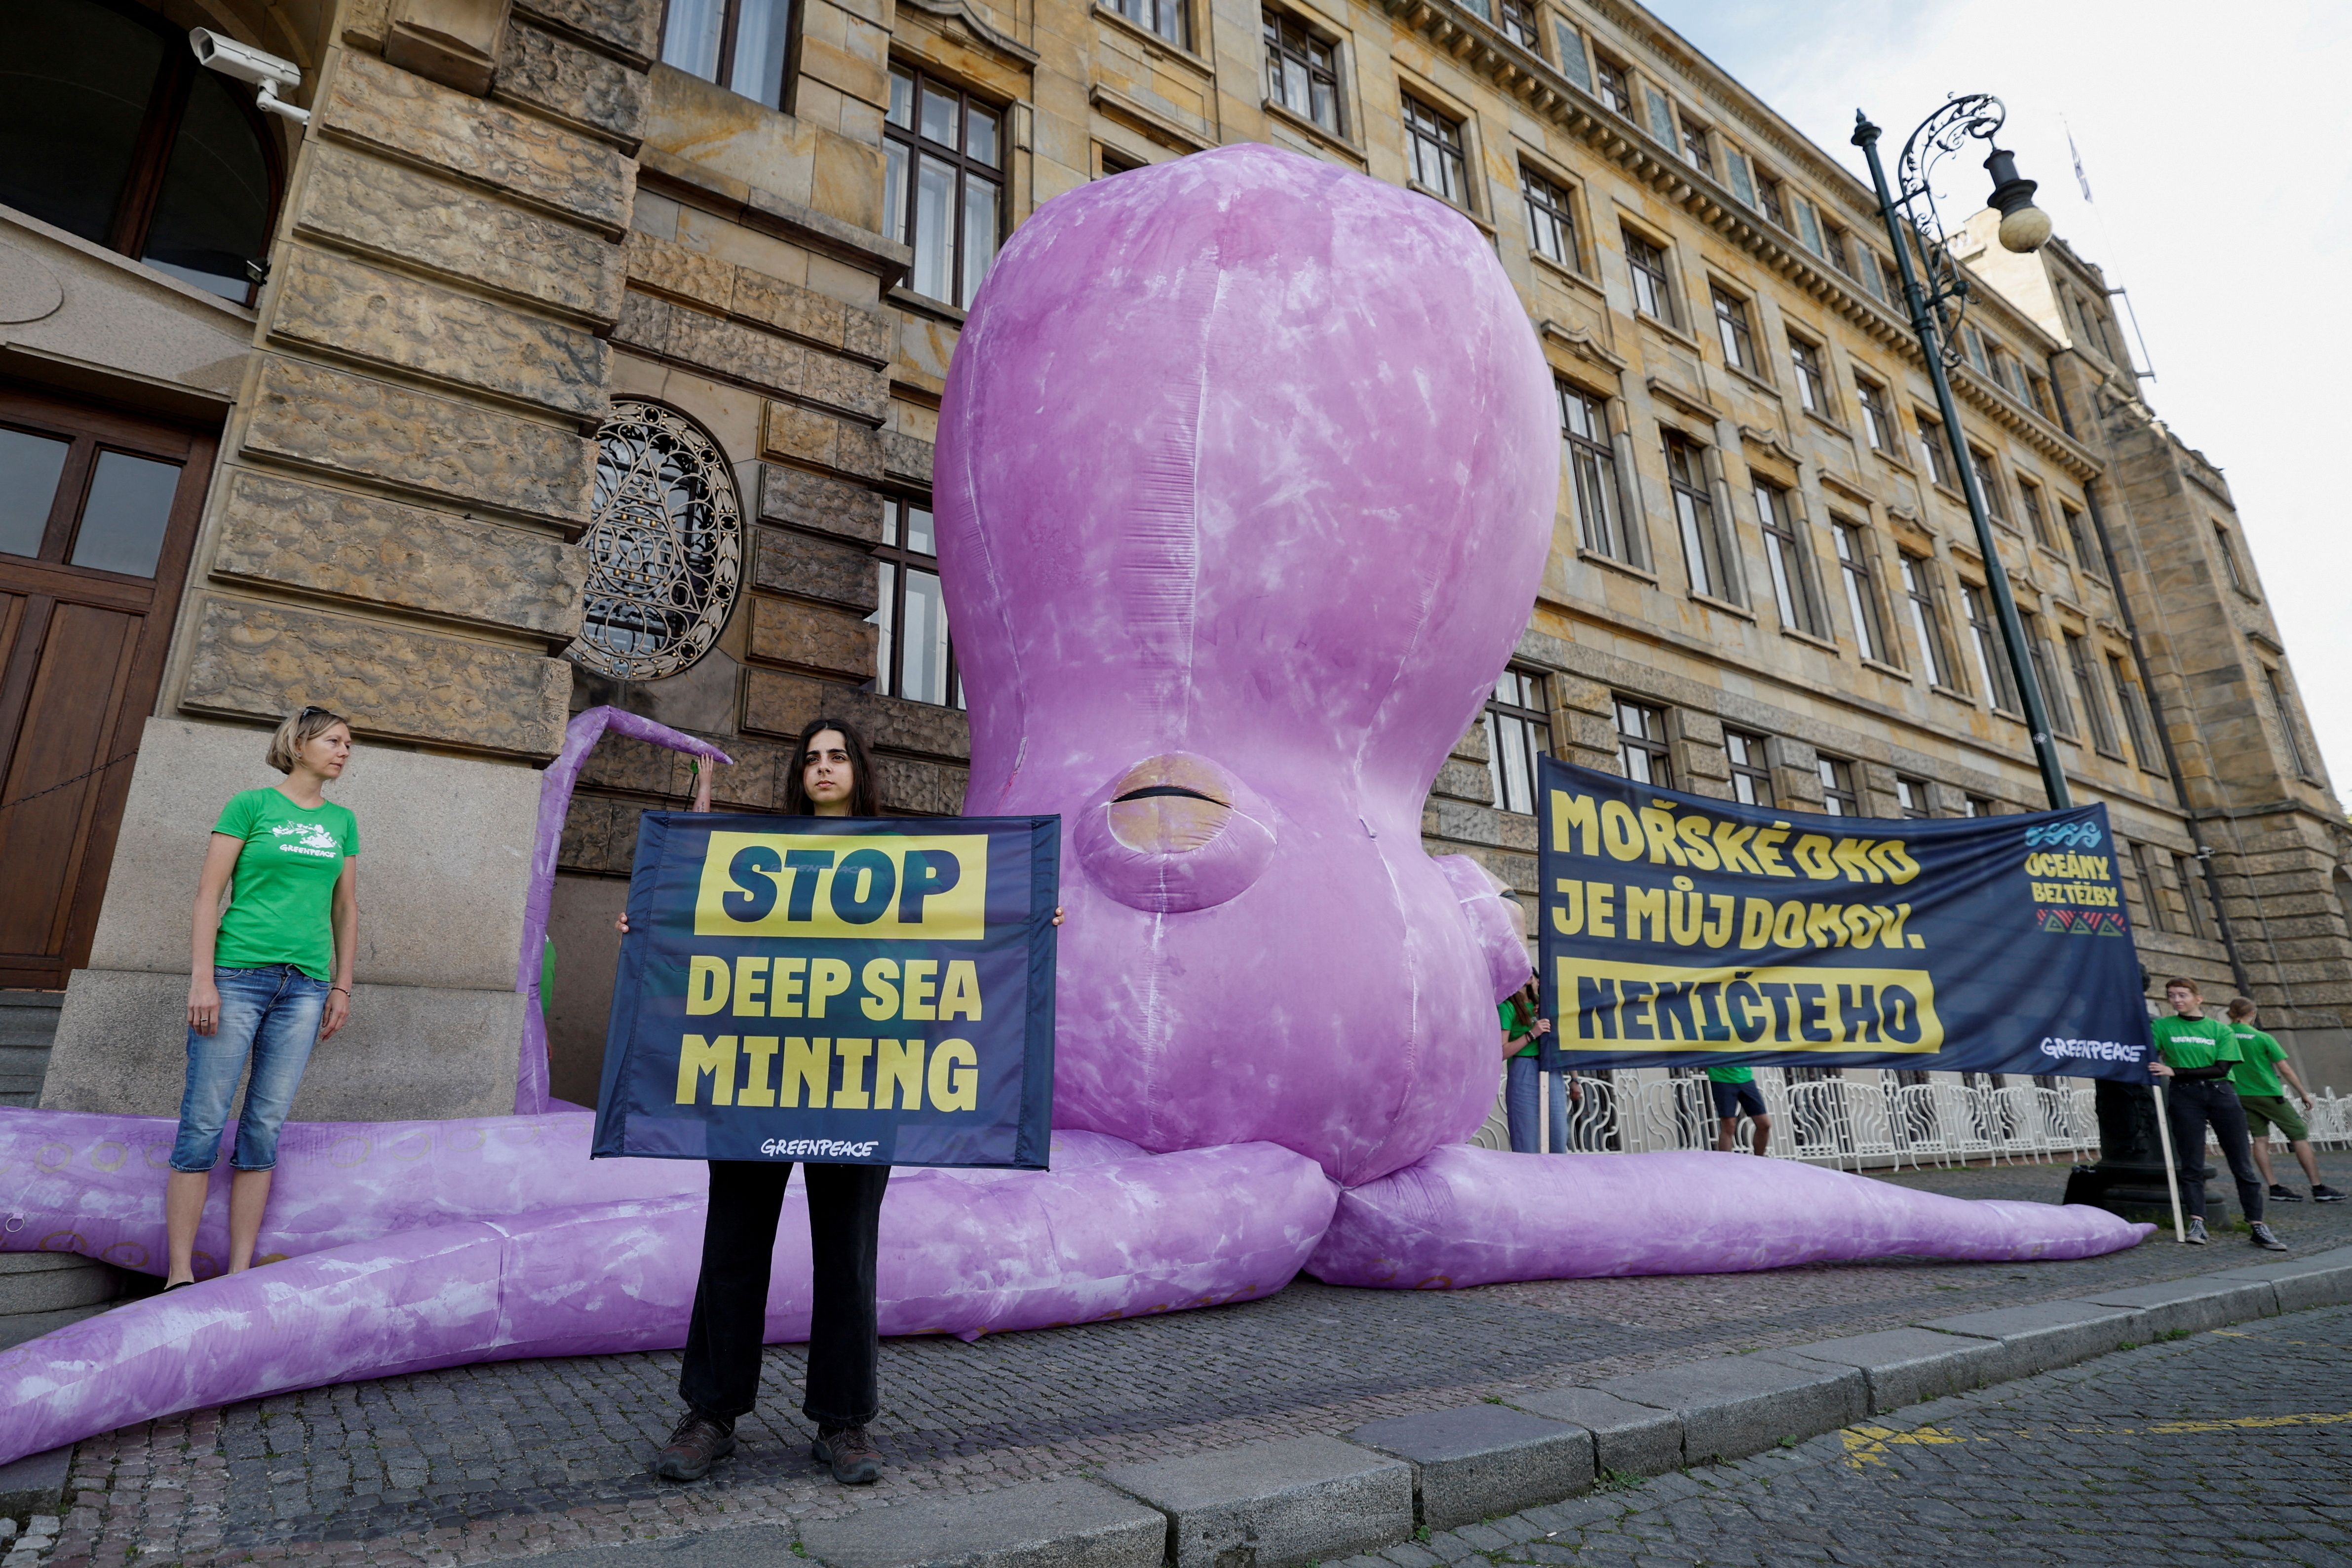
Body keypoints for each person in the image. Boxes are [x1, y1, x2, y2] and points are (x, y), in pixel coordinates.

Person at [642, 721, 1061, 1487]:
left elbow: (960, 941)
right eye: (810, 759)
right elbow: (696, 934)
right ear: (797, 776)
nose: (822, 768)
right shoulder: (757, 857)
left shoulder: (906, 861)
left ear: (858, 769)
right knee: (732, 1245)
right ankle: (710, 1415)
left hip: (866, 1078)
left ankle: (845, 1422)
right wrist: (646, 924)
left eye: (836, 756)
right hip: (755, 1074)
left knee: (848, 1254)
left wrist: (1029, 923)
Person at [166, 706, 359, 1289]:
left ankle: (240, 1272)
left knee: (264, 1127)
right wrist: (203, 978)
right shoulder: (250, 806)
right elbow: (208, 895)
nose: (345, 751)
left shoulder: (342, 821)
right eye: (334, 741)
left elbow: (346, 909)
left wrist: (342, 984)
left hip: (305, 987)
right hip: (237, 976)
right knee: (203, 1122)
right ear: (299, 745)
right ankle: (178, 1274)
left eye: (349, 744)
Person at [2148, 977, 2286, 1251]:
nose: (2177, 1000)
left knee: (2241, 1162)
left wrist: (2176, 1071)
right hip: (2185, 1095)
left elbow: (2221, 1068)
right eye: (2172, 995)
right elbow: (2148, 1055)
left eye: (2183, 995)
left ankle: (2258, 1225)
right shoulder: (2163, 1026)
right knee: (2191, 1162)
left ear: (2198, 999)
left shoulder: (2221, 1031)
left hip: (2221, 1093)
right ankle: (2198, 1221)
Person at [2225, 998, 2344, 1205]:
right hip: (2269, 1094)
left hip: (2241, 1094)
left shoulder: (2224, 1035)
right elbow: (2285, 1069)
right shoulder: (2262, 1037)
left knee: (2260, 1140)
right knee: (2299, 1135)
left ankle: (2275, 1187)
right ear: (2252, 1013)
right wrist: (2303, 1093)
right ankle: (2318, 1187)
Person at [1500, 977, 1570, 1153]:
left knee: (1558, 1136)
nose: (1530, 974)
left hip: (1551, 1068)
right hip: (1524, 1067)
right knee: (1526, 1139)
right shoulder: (1507, 1007)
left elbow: (1564, 1042)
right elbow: (1502, 1052)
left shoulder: (1543, 1005)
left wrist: (1575, 1078)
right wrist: (1532, 1034)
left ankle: (1558, 1180)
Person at [1708, 1064, 1769, 1155]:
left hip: (1746, 1077)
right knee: (1729, 1125)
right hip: (1721, 1078)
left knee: (1765, 1124)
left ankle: (1759, 1162)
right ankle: (1725, 1166)